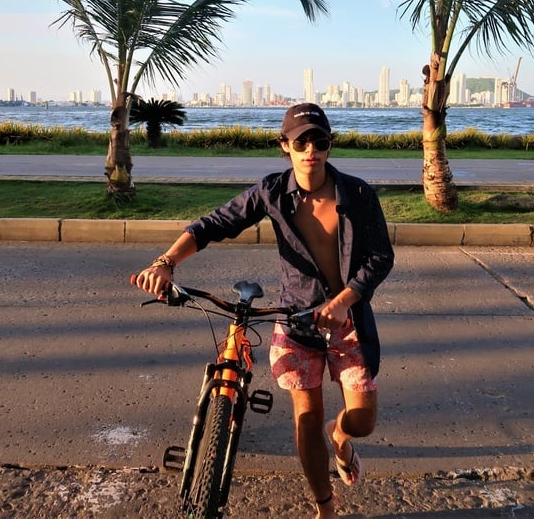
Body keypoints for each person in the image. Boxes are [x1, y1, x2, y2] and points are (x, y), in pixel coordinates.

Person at [131, 102, 395, 519]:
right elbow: (213, 224)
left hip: (348, 323)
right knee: (306, 419)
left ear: (330, 145)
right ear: (284, 145)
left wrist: (345, 300)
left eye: (320, 141)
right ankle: (325, 506)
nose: (311, 149)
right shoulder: (272, 192)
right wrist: (165, 262)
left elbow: (380, 257)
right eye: (301, 141)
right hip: (295, 322)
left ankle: (340, 437)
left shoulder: (358, 194)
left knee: (362, 420)